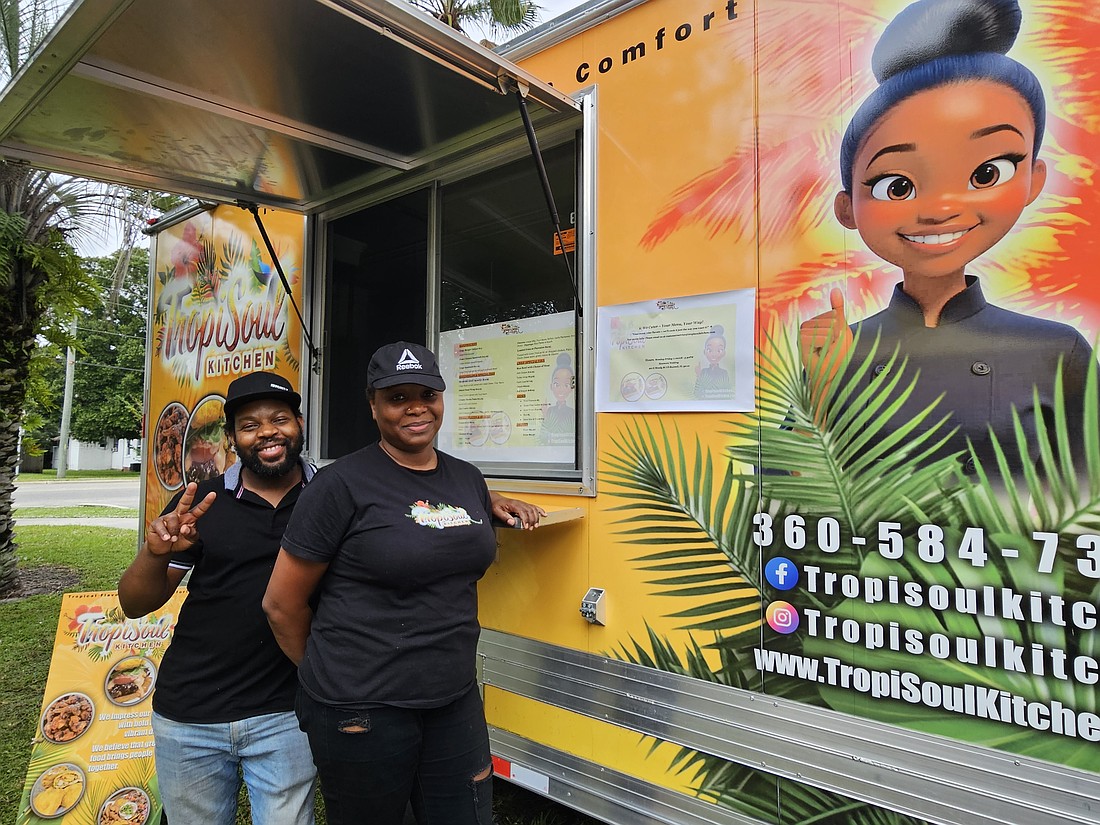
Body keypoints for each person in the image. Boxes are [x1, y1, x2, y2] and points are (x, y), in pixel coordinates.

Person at [800, 0, 1094, 474]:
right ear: (847, 208)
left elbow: (1086, 506)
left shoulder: (1055, 350)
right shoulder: (841, 350)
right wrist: (818, 387)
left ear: (1033, 181)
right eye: (896, 186)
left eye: (986, 172)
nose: (938, 210)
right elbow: (791, 486)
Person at [263, 341, 545, 825]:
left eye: (427, 393)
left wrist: (493, 501)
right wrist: (334, 678)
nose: (416, 407)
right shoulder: (340, 485)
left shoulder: (466, 478)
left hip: (453, 698)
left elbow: (445, 529)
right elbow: (281, 605)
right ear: (373, 406)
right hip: (362, 709)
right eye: (397, 397)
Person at [118, 371, 317, 825]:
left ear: (300, 424)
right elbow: (134, 604)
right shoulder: (202, 502)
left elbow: (401, 488)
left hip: (287, 711)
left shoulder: (331, 495)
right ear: (232, 438)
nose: (267, 431)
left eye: (280, 419)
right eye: (249, 424)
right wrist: (155, 553)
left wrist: (486, 494)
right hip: (192, 712)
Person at [539, 351, 575, 445]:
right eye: (557, 384)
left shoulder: (573, 412)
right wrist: (545, 415)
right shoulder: (549, 411)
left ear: (571, 388)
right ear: (551, 386)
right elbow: (542, 437)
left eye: (566, 385)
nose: (561, 390)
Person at [693, 325, 733, 400]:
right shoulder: (703, 372)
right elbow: (696, 393)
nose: (714, 354)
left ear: (724, 353)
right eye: (709, 350)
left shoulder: (724, 373)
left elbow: (729, 394)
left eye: (719, 350)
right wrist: (698, 375)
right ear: (704, 352)